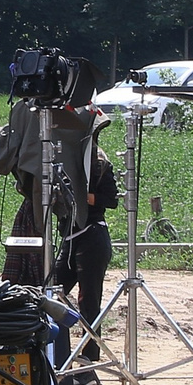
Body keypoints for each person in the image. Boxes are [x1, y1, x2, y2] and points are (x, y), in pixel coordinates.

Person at [56, 118, 119, 351]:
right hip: (69, 240)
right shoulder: (60, 159)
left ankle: (89, 360)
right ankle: (59, 354)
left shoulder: (99, 161)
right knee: (53, 294)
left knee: (89, 304)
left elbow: (111, 200)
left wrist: (80, 195)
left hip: (92, 236)